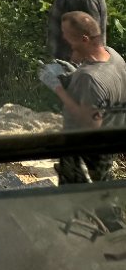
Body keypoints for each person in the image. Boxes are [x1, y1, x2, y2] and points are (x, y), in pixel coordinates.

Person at [39, 11, 126, 184]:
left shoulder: (89, 78)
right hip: (109, 149)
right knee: (103, 190)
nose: (64, 39)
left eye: (67, 36)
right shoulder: (114, 56)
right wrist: (75, 75)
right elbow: (103, 94)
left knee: (81, 196)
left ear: (85, 39)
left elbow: (90, 125)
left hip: (85, 158)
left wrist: (57, 87)